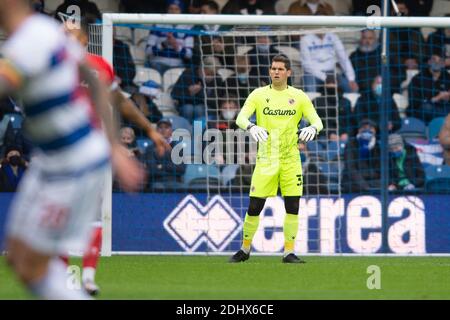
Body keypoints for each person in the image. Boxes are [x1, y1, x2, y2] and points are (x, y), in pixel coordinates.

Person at [0, 0, 143, 300]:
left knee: (33, 264)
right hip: (52, 159)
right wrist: (115, 146)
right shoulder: (47, 31)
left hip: (72, 162)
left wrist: (114, 145)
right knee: (18, 255)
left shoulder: (29, 41)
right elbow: (93, 77)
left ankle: (80, 285)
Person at [62, 15, 171, 296]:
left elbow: (120, 101)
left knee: (94, 214)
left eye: (71, 31)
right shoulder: (52, 63)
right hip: (60, 149)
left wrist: (149, 128)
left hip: (92, 149)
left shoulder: (100, 67)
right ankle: (63, 276)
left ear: (85, 40)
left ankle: (87, 276)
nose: (64, 34)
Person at [229, 55, 323, 263]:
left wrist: (312, 127)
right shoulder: (259, 94)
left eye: (280, 69)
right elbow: (240, 118)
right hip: (266, 158)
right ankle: (244, 249)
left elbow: (318, 121)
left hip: (291, 159)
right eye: (273, 68)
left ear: (289, 72)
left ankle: (288, 252)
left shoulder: (299, 96)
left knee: (293, 206)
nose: (276, 72)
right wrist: (252, 126)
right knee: (254, 206)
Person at [408, 53, 450, 124]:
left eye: (440, 60)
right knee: (426, 108)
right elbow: (415, 103)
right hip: (425, 109)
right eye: (434, 59)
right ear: (429, 62)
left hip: (445, 107)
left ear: (443, 63)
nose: (437, 62)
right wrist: (437, 98)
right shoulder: (418, 78)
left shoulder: (447, 77)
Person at [341, 119, 381, 192]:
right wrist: (365, 186)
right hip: (353, 182)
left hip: (372, 181)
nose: (367, 130)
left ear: (375, 131)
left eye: (371, 128)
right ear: (359, 130)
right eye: (364, 128)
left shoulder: (378, 147)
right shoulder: (351, 144)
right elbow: (351, 168)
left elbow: (379, 169)